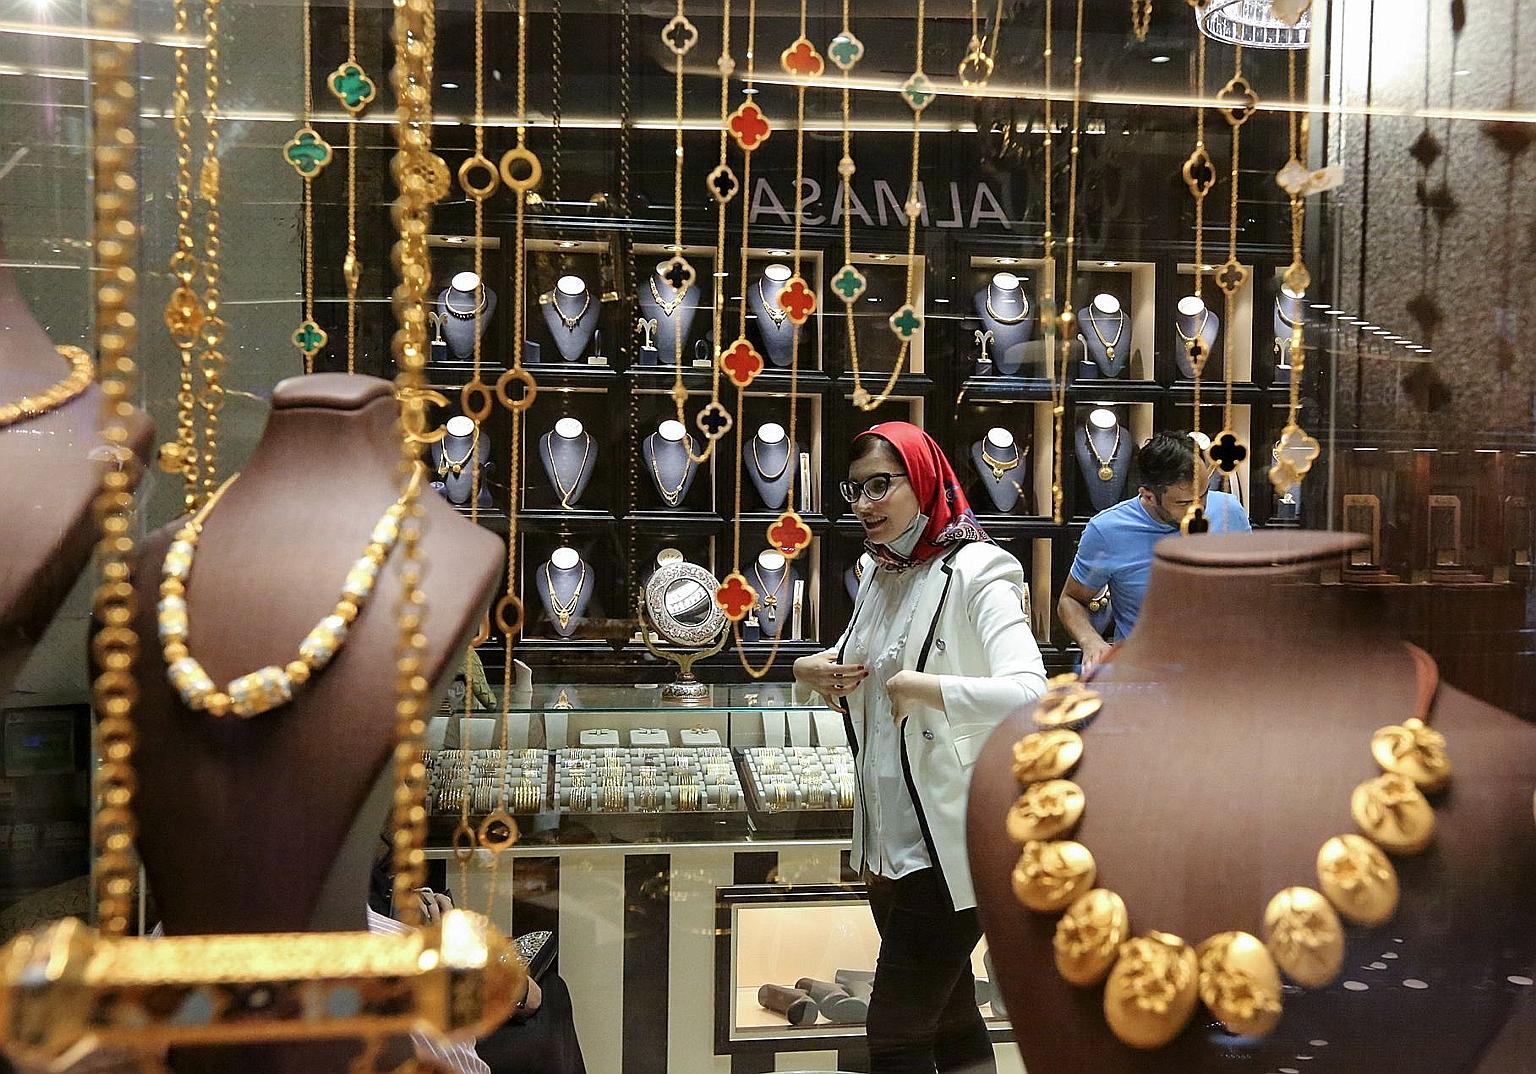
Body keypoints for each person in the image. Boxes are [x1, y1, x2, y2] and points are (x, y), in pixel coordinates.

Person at [793, 421, 1047, 1074]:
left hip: (953, 842)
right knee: (951, 1018)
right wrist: (810, 670)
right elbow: (857, 666)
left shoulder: (978, 569)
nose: (866, 504)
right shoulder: (880, 573)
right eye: (854, 491)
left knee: (895, 1031)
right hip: (887, 842)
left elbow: (1030, 690)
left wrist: (929, 688)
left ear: (924, 479)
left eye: (882, 485)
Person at [1058, 430, 1251, 670]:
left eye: (1204, 493)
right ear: (1148, 496)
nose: (1200, 508)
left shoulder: (1229, 510)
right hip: (1145, 675)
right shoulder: (1107, 531)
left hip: (1221, 671)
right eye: (1185, 503)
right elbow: (1071, 599)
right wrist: (1090, 641)